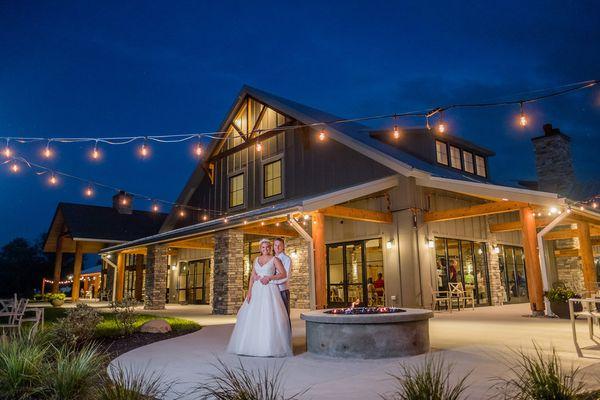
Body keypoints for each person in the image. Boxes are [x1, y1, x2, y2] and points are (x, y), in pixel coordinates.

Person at [227, 238, 292, 357]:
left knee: (268, 317)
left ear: (270, 248)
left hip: (269, 289)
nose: (265, 249)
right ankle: (250, 345)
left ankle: (268, 346)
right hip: (256, 290)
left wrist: (269, 278)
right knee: (253, 317)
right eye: (263, 247)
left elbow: (283, 274)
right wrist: (249, 292)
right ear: (260, 249)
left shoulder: (275, 259)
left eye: (268, 247)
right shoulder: (256, 259)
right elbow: (252, 276)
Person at [267, 238, 292, 325]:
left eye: (279, 245)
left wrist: (271, 282)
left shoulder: (286, 259)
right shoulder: (271, 259)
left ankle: (287, 337)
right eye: (275, 245)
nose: (277, 247)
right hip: (272, 291)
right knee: (275, 315)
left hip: (282, 290)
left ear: (283, 247)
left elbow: (286, 277)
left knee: (285, 315)